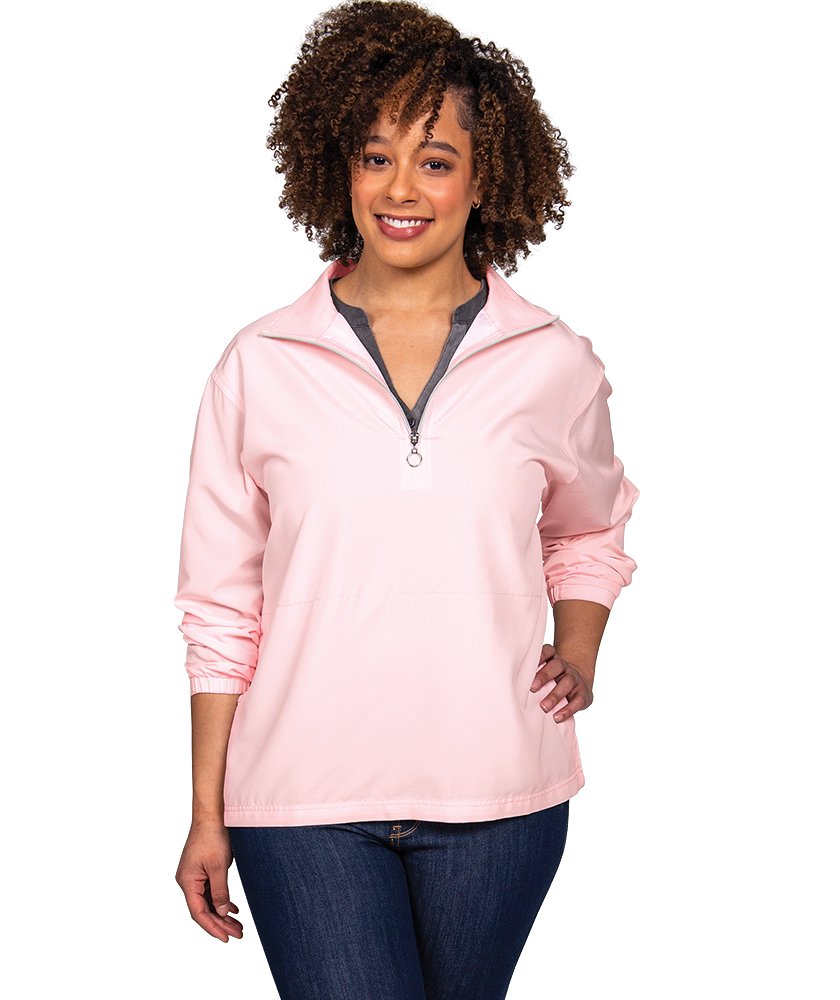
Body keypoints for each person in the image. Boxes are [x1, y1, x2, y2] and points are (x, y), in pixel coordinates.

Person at [174, 2, 639, 997]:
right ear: (337, 169)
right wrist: (207, 811)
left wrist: (581, 650)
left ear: (484, 177)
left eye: (435, 160)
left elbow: (589, 528)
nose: (400, 189)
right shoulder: (259, 363)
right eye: (375, 157)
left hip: (501, 794)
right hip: (299, 801)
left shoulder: (553, 362)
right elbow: (219, 606)